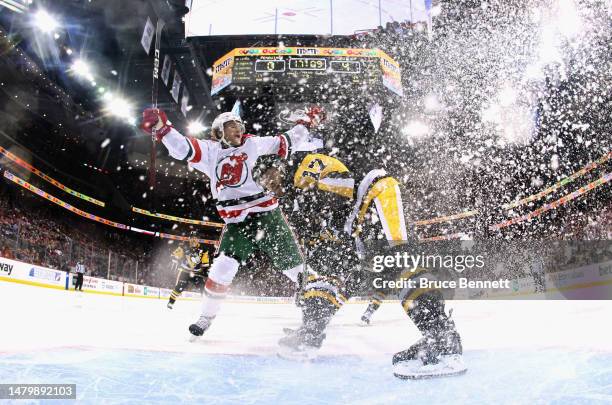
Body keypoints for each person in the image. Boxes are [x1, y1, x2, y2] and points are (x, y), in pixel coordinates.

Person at [258, 148, 465, 378]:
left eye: (267, 175)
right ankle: (311, 332)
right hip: (362, 221)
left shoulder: (303, 168)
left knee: (401, 261)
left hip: (378, 194)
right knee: (342, 273)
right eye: (262, 183)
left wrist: (313, 209)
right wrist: (311, 303)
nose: (267, 185)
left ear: (279, 166)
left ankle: (443, 340)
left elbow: (344, 185)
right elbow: (328, 260)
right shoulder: (297, 202)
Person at [140, 106, 325, 337]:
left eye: (240, 125)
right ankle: (205, 318)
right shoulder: (209, 151)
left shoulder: (253, 143)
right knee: (221, 269)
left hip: (267, 216)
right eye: (232, 125)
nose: (239, 128)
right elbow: (181, 147)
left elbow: (286, 140)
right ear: (219, 131)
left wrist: (305, 124)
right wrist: (162, 128)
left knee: (295, 269)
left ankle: (320, 305)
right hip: (237, 223)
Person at [167, 233, 212, 309]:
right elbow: (174, 255)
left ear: (198, 240)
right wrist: (174, 259)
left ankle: (208, 306)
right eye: (192, 238)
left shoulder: (204, 250)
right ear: (189, 239)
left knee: (203, 289)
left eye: (196, 238)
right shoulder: (183, 247)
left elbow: (205, 264)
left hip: (197, 273)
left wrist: (206, 271)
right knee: (179, 288)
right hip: (185, 272)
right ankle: (170, 303)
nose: (194, 240)